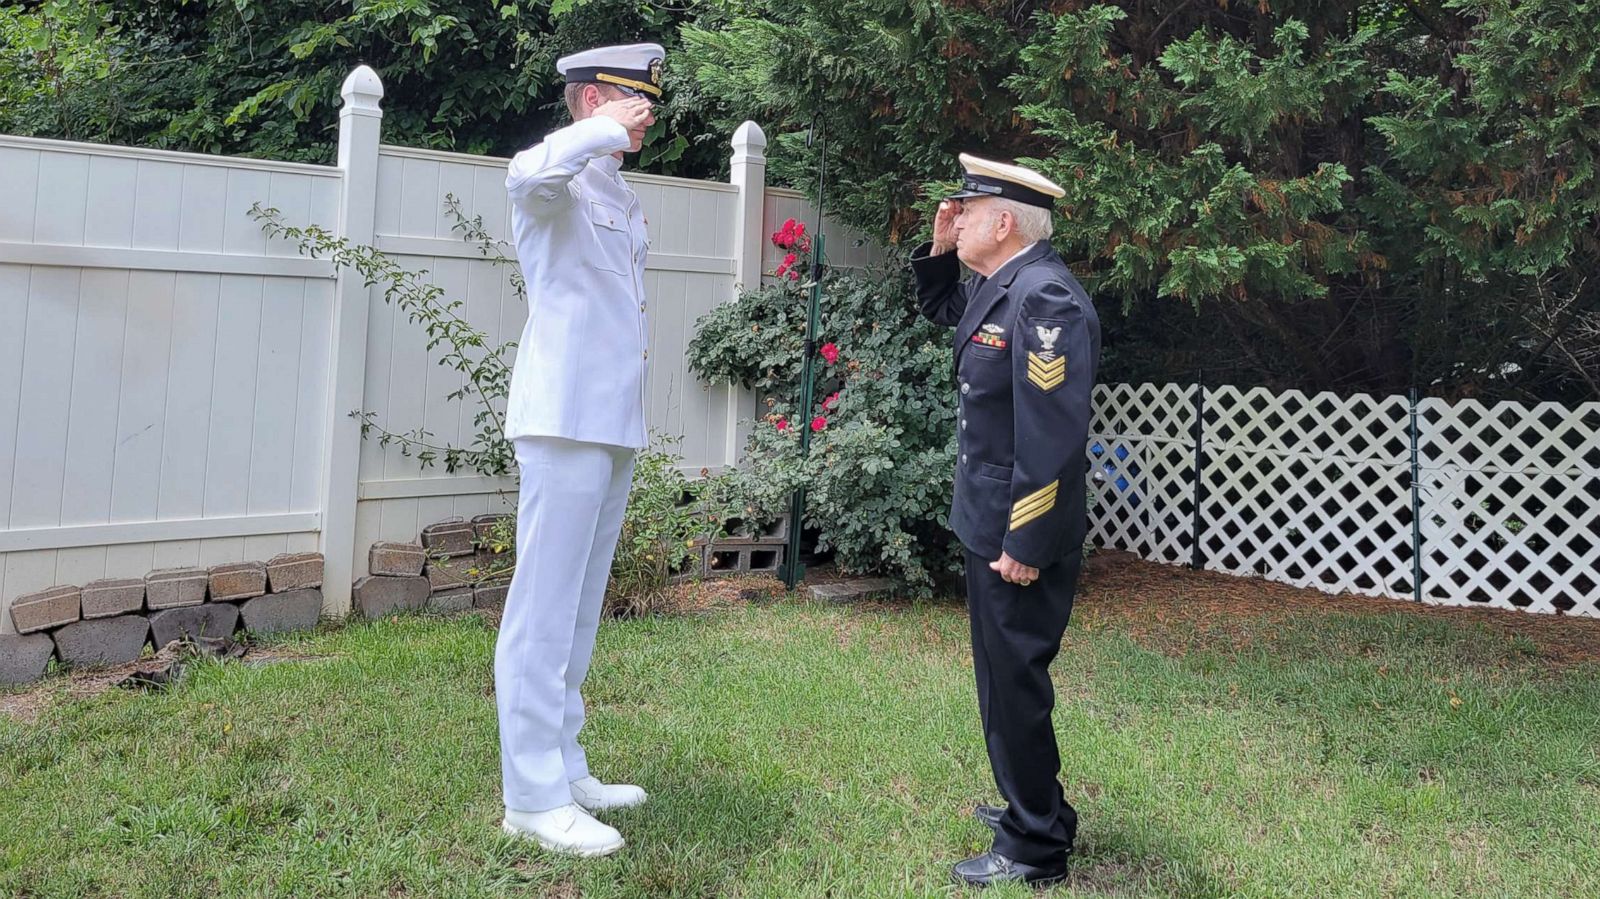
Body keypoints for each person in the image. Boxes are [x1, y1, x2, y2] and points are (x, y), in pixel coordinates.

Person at [910, 153, 1102, 887]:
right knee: (1000, 679)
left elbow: (1052, 439)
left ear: (1002, 221)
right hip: (987, 520)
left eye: (965, 210)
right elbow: (948, 315)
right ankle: (1038, 808)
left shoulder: (1044, 300)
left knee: (1014, 684)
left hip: (1016, 534)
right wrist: (936, 250)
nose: (955, 219)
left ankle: (1035, 846)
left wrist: (1024, 540)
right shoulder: (1005, 288)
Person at [496, 42, 664, 857]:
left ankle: (564, 763)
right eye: (632, 99)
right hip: (562, 416)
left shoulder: (618, 194)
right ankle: (530, 794)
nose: (647, 114)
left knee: (581, 605)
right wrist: (599, 129)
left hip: (610, 419)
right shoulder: (557, 181)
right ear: (594, 97)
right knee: (543, 606)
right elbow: (524, 174)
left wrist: (606, 140)